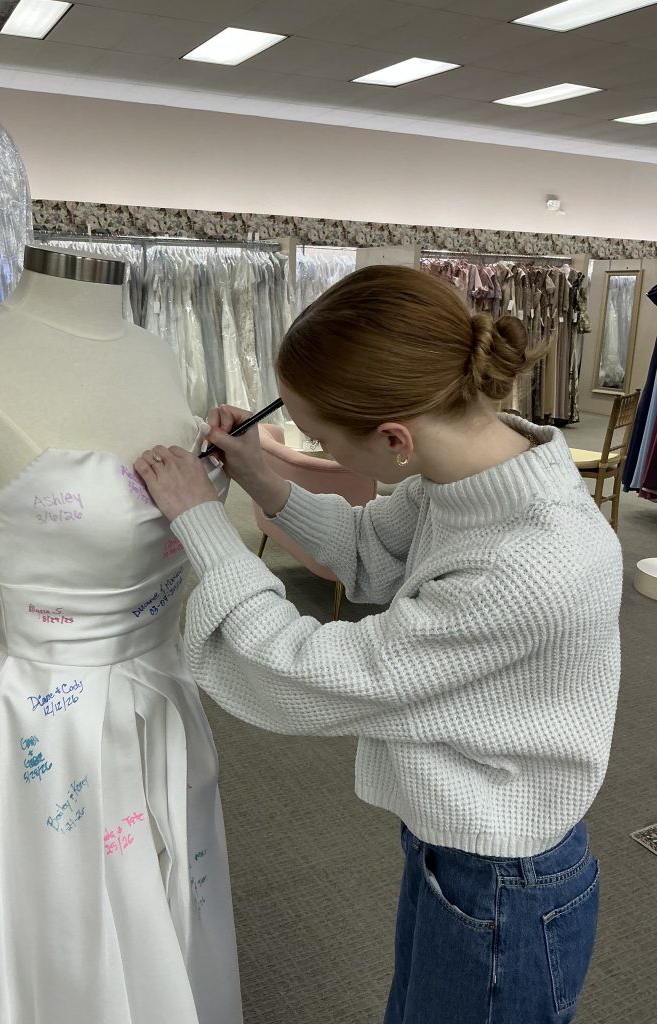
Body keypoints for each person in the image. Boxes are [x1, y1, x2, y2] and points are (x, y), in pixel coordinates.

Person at [134, 265, 622, 1024]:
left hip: (504, 876)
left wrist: (201, 523)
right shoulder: (468, 477)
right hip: (461, 850)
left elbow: (313, 675)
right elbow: (371, 549)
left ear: (395, 439)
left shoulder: (525, 559)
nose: (312, 445)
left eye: (319, 438)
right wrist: (263, 476)